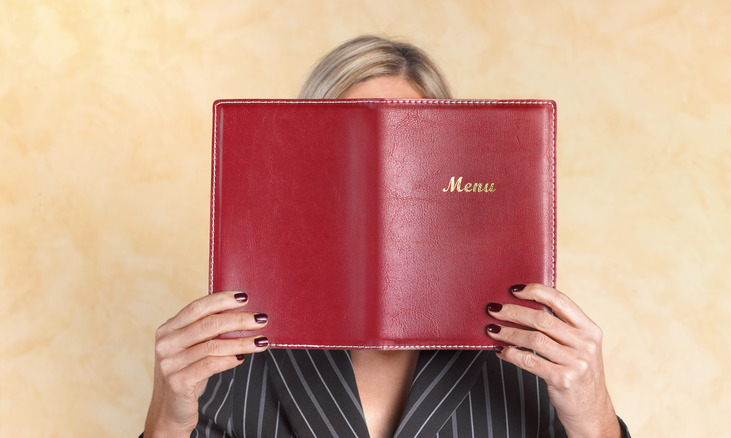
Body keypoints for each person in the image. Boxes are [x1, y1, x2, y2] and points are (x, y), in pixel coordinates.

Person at [143, 35, 630, 438]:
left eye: (407, 152)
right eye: (346, 153)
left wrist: (594, 414)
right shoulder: (234, 354)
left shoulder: (526, 356)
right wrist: (167, 417)